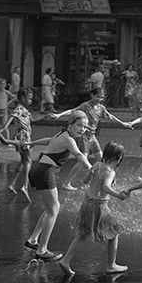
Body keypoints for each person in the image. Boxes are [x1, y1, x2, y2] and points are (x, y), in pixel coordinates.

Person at [24, 111, 92, 261]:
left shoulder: (61, 134)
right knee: (54, 210)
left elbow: (49, 140)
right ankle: (42, 251)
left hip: (39, 168)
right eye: (79, 125)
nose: (82, 129)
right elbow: (79, 155)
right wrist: (92, 170)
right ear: (71, 124)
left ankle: (33, 240)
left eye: (85, 127)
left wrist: (32, 143)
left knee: (50, 208)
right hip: (45, 172)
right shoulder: (69, 139)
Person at [58, 142, 133, 277]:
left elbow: (85, 181)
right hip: (99, 206)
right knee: (115, 231)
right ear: (118, 157)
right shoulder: (110, 172)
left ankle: (65, 260)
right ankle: (111, 265)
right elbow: (105, 187)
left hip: (87, 203)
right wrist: (119, 196)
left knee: (83, 234)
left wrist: (91, 173)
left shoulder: (97, 165)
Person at [49, 87, 132, 191]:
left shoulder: (101, 108)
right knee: (82, 160)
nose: (99, 99)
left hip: (92, 136)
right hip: (84, 135)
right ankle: (67, 183)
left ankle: (97, 180)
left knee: (100, 156)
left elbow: (110, 116)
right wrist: (59, 115)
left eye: (101, 97)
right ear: (92, 95)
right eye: (97, 96)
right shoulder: (85, 106)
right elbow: (73, 111)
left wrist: (122, 123)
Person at [2, 88, 34, 203]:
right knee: (28, 161)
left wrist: (46, 117)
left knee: (23, 161)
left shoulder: (25, 110)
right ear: (23, 98)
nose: (31, 100)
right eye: (29, 98)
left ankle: (12, 183)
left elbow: (33, 120)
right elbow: (12, 116)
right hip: (23, 137)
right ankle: (24, 186)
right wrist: (4, 128)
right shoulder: (19, 108)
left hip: (25, 137)